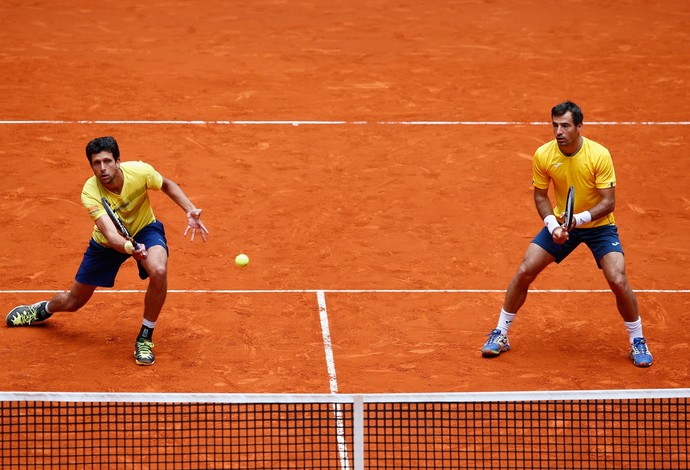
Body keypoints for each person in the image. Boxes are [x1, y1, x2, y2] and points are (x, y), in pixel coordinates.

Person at [5, 136, 209, 366]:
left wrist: (190, 209)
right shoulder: (90, 192)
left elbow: (167, 185)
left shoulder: (140, 172)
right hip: (106, 243)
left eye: (107, 161)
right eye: (96, 163)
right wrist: (130, 247)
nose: (102, 168)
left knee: (159, 271)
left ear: (118, 161)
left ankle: (144, 338)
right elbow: (112, 235)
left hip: (144, 229)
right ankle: (43, 309)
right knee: (73, 302)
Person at [481, 101, 653, 367]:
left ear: (579, 127)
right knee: (526, 269)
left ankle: (637, 340)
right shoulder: (543, 154)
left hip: (599, 227)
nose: (558, 131)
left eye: (565, 125)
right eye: (554, 125)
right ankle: (501, 333)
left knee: (618, 279)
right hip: (562, 224)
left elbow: (609, 202)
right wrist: (553, 225)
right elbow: (540, 196)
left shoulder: (599, 155)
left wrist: (579, 219)